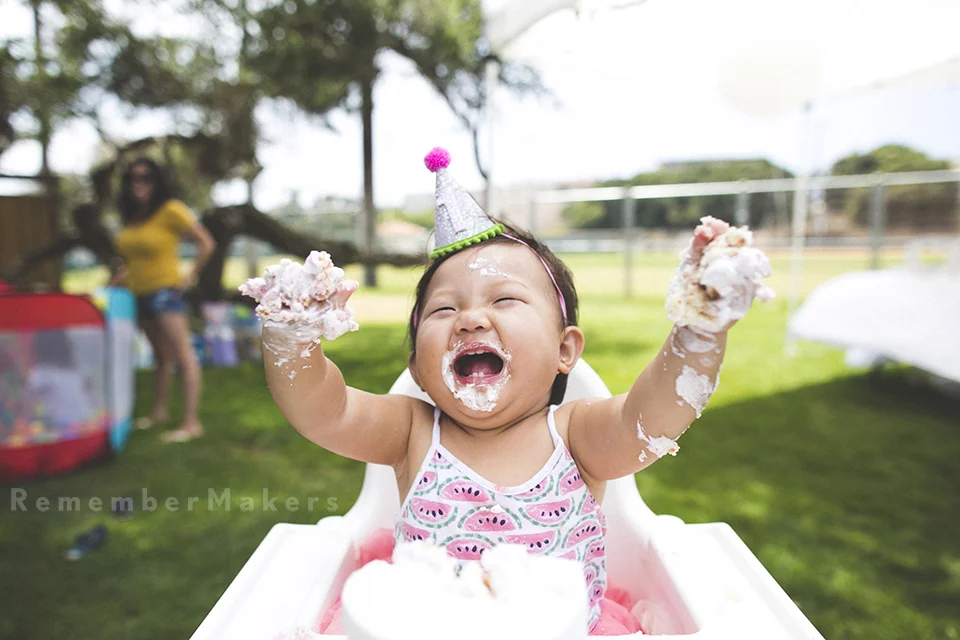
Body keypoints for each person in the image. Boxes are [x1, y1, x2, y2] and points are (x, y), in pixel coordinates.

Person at [241, 148, 773, 635]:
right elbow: (323, 411)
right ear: (419, 369)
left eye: (505, 300)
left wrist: (699, 329)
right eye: (444, 308)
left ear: (566, 350)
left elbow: (652, 418)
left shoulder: (576, 436)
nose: (471, 317)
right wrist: (292, 336)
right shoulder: (409, 432)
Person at [113, 157, 216, 443]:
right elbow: (133, 260)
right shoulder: (133, 217)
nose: (139, 183)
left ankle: (191, 423)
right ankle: (158, 412)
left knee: (183, 355)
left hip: (165, 293)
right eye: (133, 178)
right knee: (160, 356)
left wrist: (189, 276)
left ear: (157, 182)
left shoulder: (171, 210)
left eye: (146, 177)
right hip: (137, 294)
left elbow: (206, 243)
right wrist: (118, 279)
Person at [4, 203, 124, 288]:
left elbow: (118, 263)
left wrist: (112, 284)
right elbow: (38, 256)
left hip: (101, 294)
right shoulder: (70, 241)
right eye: (81, 220)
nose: (85, 225)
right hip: (73, 296)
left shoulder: (102, 240)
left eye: (87, 220)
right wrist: (10, 278)